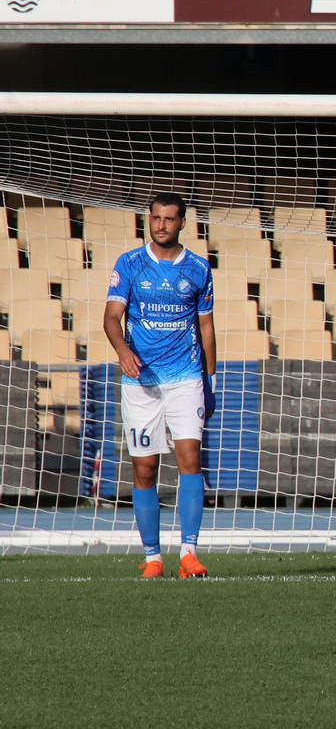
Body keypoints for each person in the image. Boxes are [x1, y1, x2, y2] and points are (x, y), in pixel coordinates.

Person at [104, 193, 216, 579]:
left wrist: (210, 379)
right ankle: (153, 557)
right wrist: (121, 350)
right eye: (156, 218)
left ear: (183, 223)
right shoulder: (130, 264)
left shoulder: (199, 268)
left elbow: (205, 327)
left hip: (185, 378)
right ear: (148, 220)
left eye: (170, 219)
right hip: (141, 382)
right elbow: (111, 317)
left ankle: (189, 554)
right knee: (146, 470)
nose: (162, 224)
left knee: (190, 459)